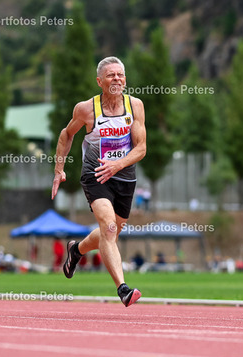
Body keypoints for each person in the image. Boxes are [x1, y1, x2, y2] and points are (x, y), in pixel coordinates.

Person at [51, 56, 146, 307]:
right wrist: (59, 169)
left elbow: (141, 148)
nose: (117, 79)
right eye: (111, 75)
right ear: (99, 81)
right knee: (109, 227)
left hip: (124, 176)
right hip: (96, 174)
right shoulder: (86, 109)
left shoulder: (135, 106)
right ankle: (123, 289)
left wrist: (118, 164)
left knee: (112, 231)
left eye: (120, 75)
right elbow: (66, 134)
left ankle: (77, 250)